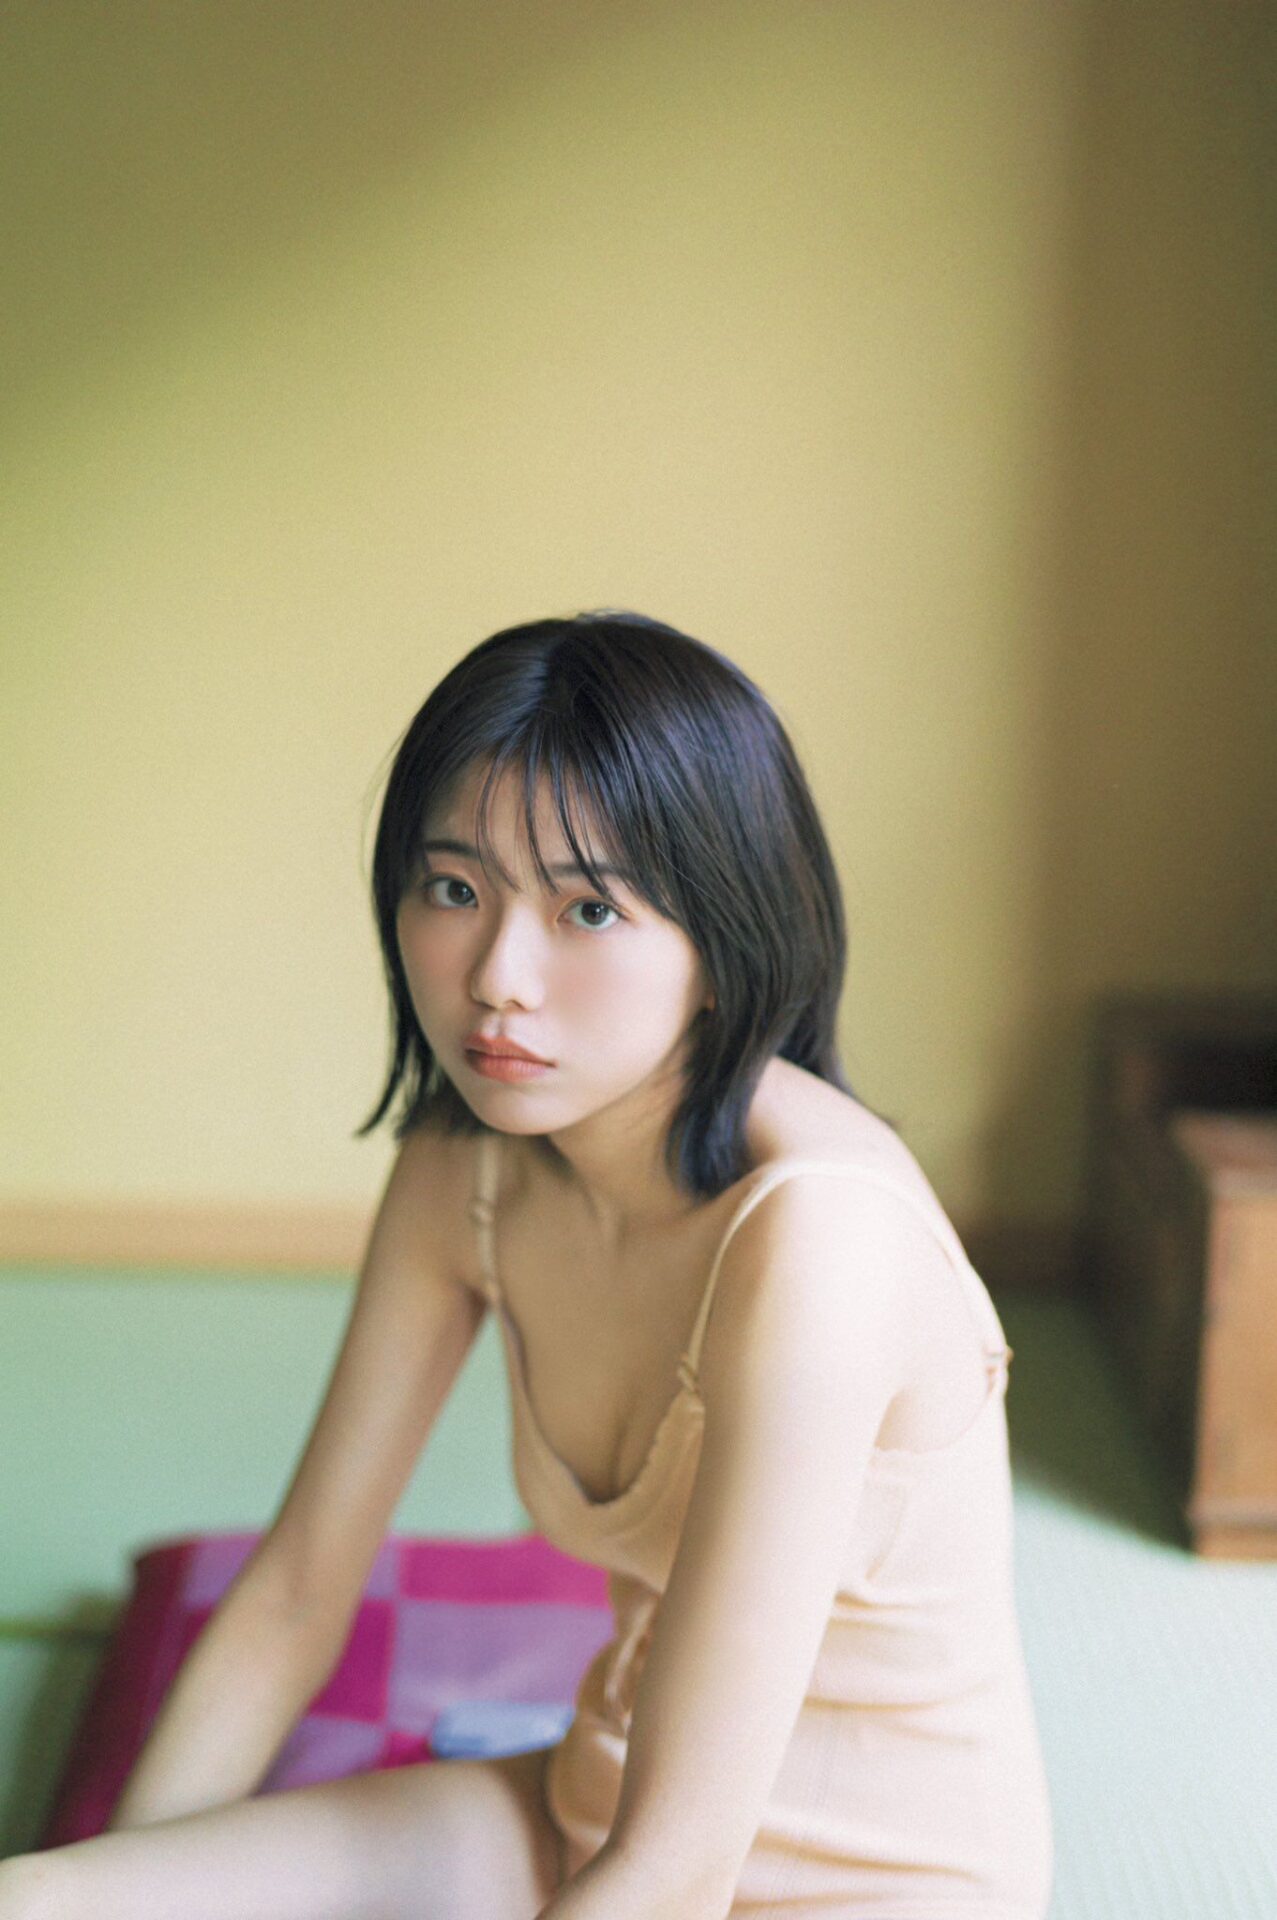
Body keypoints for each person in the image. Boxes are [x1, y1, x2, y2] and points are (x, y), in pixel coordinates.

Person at [2, 611, 1054, 1919]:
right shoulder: (469, 1169)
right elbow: (296, 1596)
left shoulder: (817, 1243)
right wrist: (129, 1873)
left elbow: (678, 1868)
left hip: (864, 1887)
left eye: (588, 909)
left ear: (723, 944)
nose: (498, 977)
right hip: (579, 1820)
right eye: (454, 890)